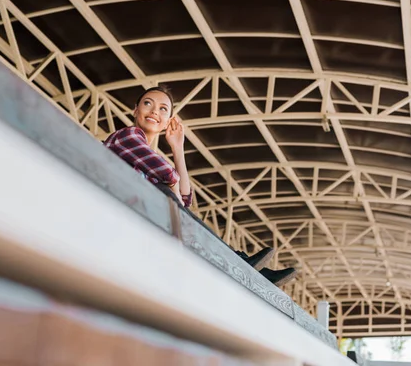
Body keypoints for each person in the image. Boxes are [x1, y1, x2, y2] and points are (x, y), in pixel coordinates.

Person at [103, 85, 297, 287]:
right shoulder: (126, 136)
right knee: (165, 193)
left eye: (163, 109)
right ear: (135, 110)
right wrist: (173, 187)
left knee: (171, 202)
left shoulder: (145, 159)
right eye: (148, 104)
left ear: (168, 121)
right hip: (117, 213)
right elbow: (169, 178)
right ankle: (240, 261)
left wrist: (178, 149)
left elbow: (185, 201)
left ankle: (255, 272)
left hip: (140, 222)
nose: (154, 111)